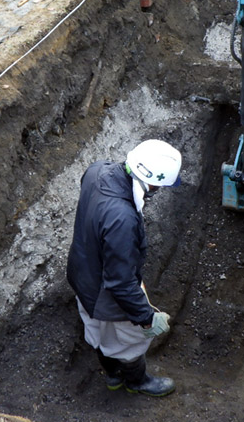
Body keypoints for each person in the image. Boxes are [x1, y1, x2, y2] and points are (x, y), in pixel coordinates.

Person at [67, 139, 181, 397]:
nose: (158, 190)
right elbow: (121, 284)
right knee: (129, 343)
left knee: (96, 332)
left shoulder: (97, 170)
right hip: (104, 296)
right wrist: (147, 318)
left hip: (82, 275)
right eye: (159, 185)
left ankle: (112, 376)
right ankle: (136, 381)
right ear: (151, 181)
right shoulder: (122, 218)